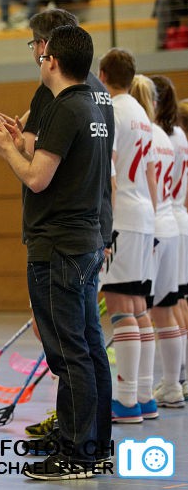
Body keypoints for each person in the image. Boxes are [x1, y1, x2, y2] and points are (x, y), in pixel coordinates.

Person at [0, 8, 115, 440]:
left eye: (37, 46)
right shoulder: (95, 94)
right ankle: (94, 440)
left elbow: (37, 172)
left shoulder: (63, 100)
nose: (36, 54)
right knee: (88, 345)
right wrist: (18, 139)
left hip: (61, 238)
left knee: (70, 350)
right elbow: (52, 152)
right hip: (90, 228)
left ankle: (78, 446)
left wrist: (4, 147)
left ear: (48, 52)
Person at [97, 48, 158, 424]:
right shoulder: (142, 115)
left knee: (121, 307)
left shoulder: (113, 111)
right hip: (145, 214)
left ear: (102, 74)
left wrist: (103, 223)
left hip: (122, 215)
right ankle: (144, 395)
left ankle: (125, 400)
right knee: (138, 307)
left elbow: (110, 173)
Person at [151, 74, 188, 404]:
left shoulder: (157, 136)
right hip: (177, 217)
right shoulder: (177, 134)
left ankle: (174, 380)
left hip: (162, 216)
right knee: (176, 302)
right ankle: (179, 376)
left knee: (162, 307)